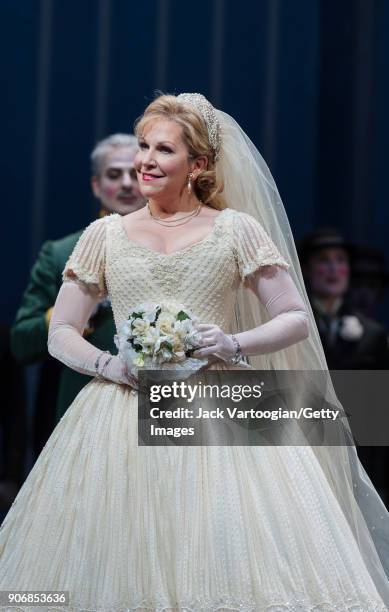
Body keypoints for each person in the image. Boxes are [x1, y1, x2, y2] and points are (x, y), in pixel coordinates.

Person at [0, 93, 388, 609]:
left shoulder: (235, 230)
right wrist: (109, 365)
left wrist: (234, 343)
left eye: (163, 149)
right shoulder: (104, 235)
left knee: (222, 543)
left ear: (198, 165)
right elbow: (61, 329)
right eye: (143, 146)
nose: (145, 160)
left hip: (218, 407)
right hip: (121, 411)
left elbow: (294, 317)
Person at [10, 135, 146, 456]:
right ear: (96, 186)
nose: (127, 183)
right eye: (114, 175)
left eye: (136, 173)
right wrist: (72, 314)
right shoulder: (60, 253)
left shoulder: (176, 245)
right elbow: (21, 342)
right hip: (80, 406)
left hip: (160, 409)